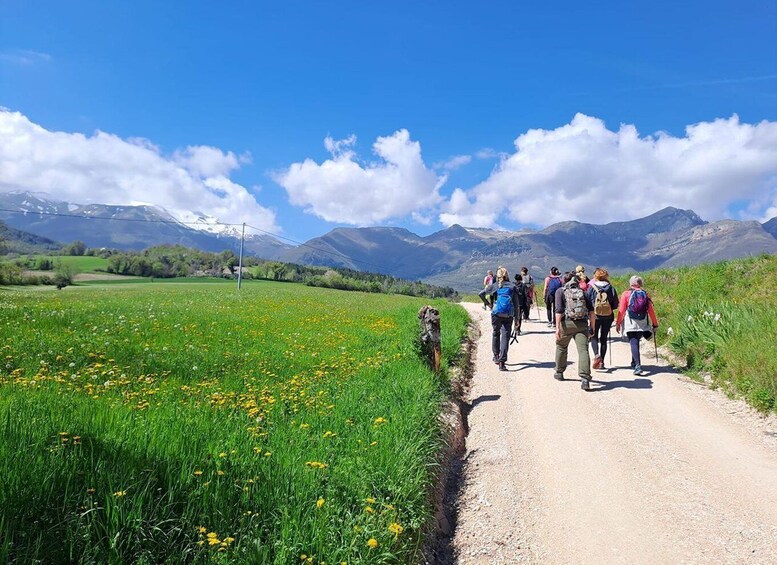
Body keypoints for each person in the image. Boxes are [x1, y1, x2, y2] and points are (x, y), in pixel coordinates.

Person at [554, 273, 596, 390]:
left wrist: (557, 328)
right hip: (582, 325)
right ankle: (585, 379)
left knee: (561, 347)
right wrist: (592, 327)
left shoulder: (560, 291)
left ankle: (559, 372)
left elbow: (559, 311)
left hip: (566, 324)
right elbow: (592, 312)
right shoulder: (583, 292)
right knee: (583, 351)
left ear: (564, 281)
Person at [616, 275, 659, 376]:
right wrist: (655, 324)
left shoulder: (626, 294)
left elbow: (621, 310)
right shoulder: (645, 294)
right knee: (636, 342)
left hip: (630, 322)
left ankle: (638, 366)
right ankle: (634, 362)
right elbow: (651, 311)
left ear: (631, 283)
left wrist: (618, 323)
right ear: (641, 284)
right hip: (642, 322)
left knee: (633, 342)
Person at [479, 266, 520, 372]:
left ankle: (496, 356)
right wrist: (517, 320)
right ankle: (502, 362)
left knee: (496, 333)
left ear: (497, 276)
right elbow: (516, 305)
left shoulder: (495, 286)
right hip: (508, 314)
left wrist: (489, 305)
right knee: (505, 337)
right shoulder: (512, 286)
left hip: (496, 313)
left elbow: (481, 294)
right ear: (507, 275)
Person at [586, 268, 619, 370]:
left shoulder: (591, 288)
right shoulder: (611, 288)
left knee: (594, 336)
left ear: (596, 276)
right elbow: (615, 304)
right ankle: (602, 363)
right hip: (608, 316)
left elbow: (587, 302)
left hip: (595, 316)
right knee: (604, 338)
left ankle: (596, 355)